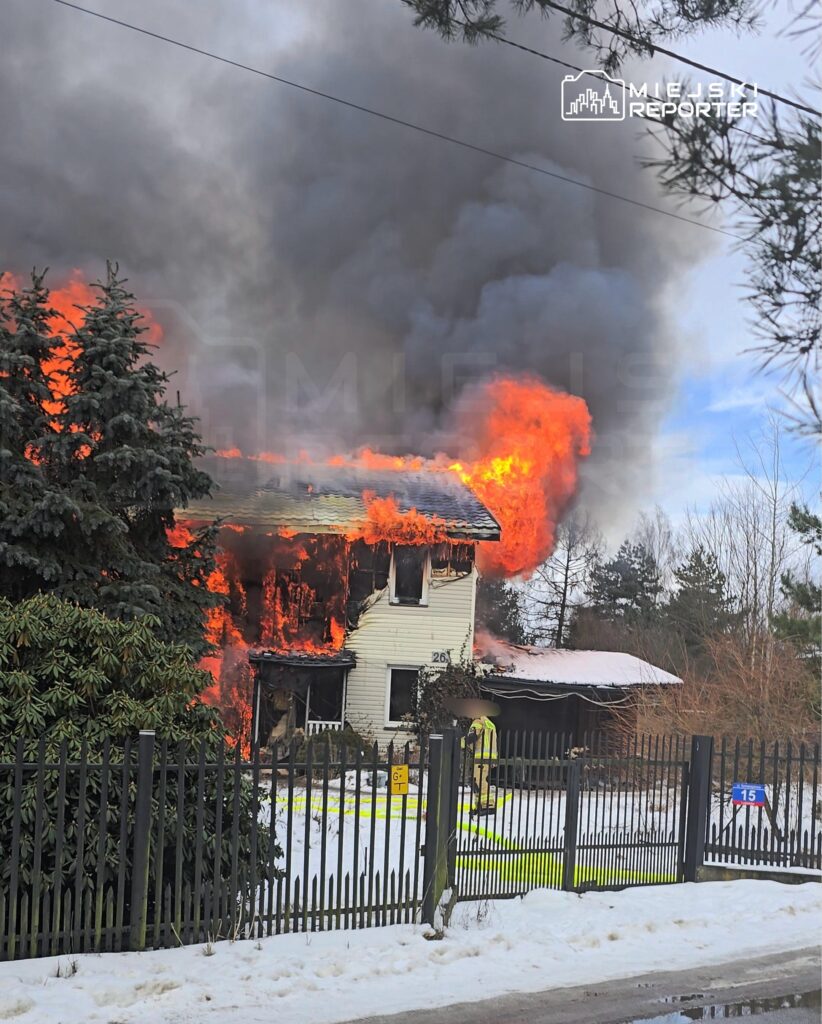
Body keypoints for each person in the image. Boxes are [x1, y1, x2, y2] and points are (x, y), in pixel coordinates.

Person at [462, 715, 498, 815]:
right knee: (476, 780)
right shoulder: (489, 723)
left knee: (478, 780)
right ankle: (480, 805)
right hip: (488, 756)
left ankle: (488, 805)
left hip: (481, 756)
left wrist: (460, 742)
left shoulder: (478, 721)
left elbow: (472, 737)